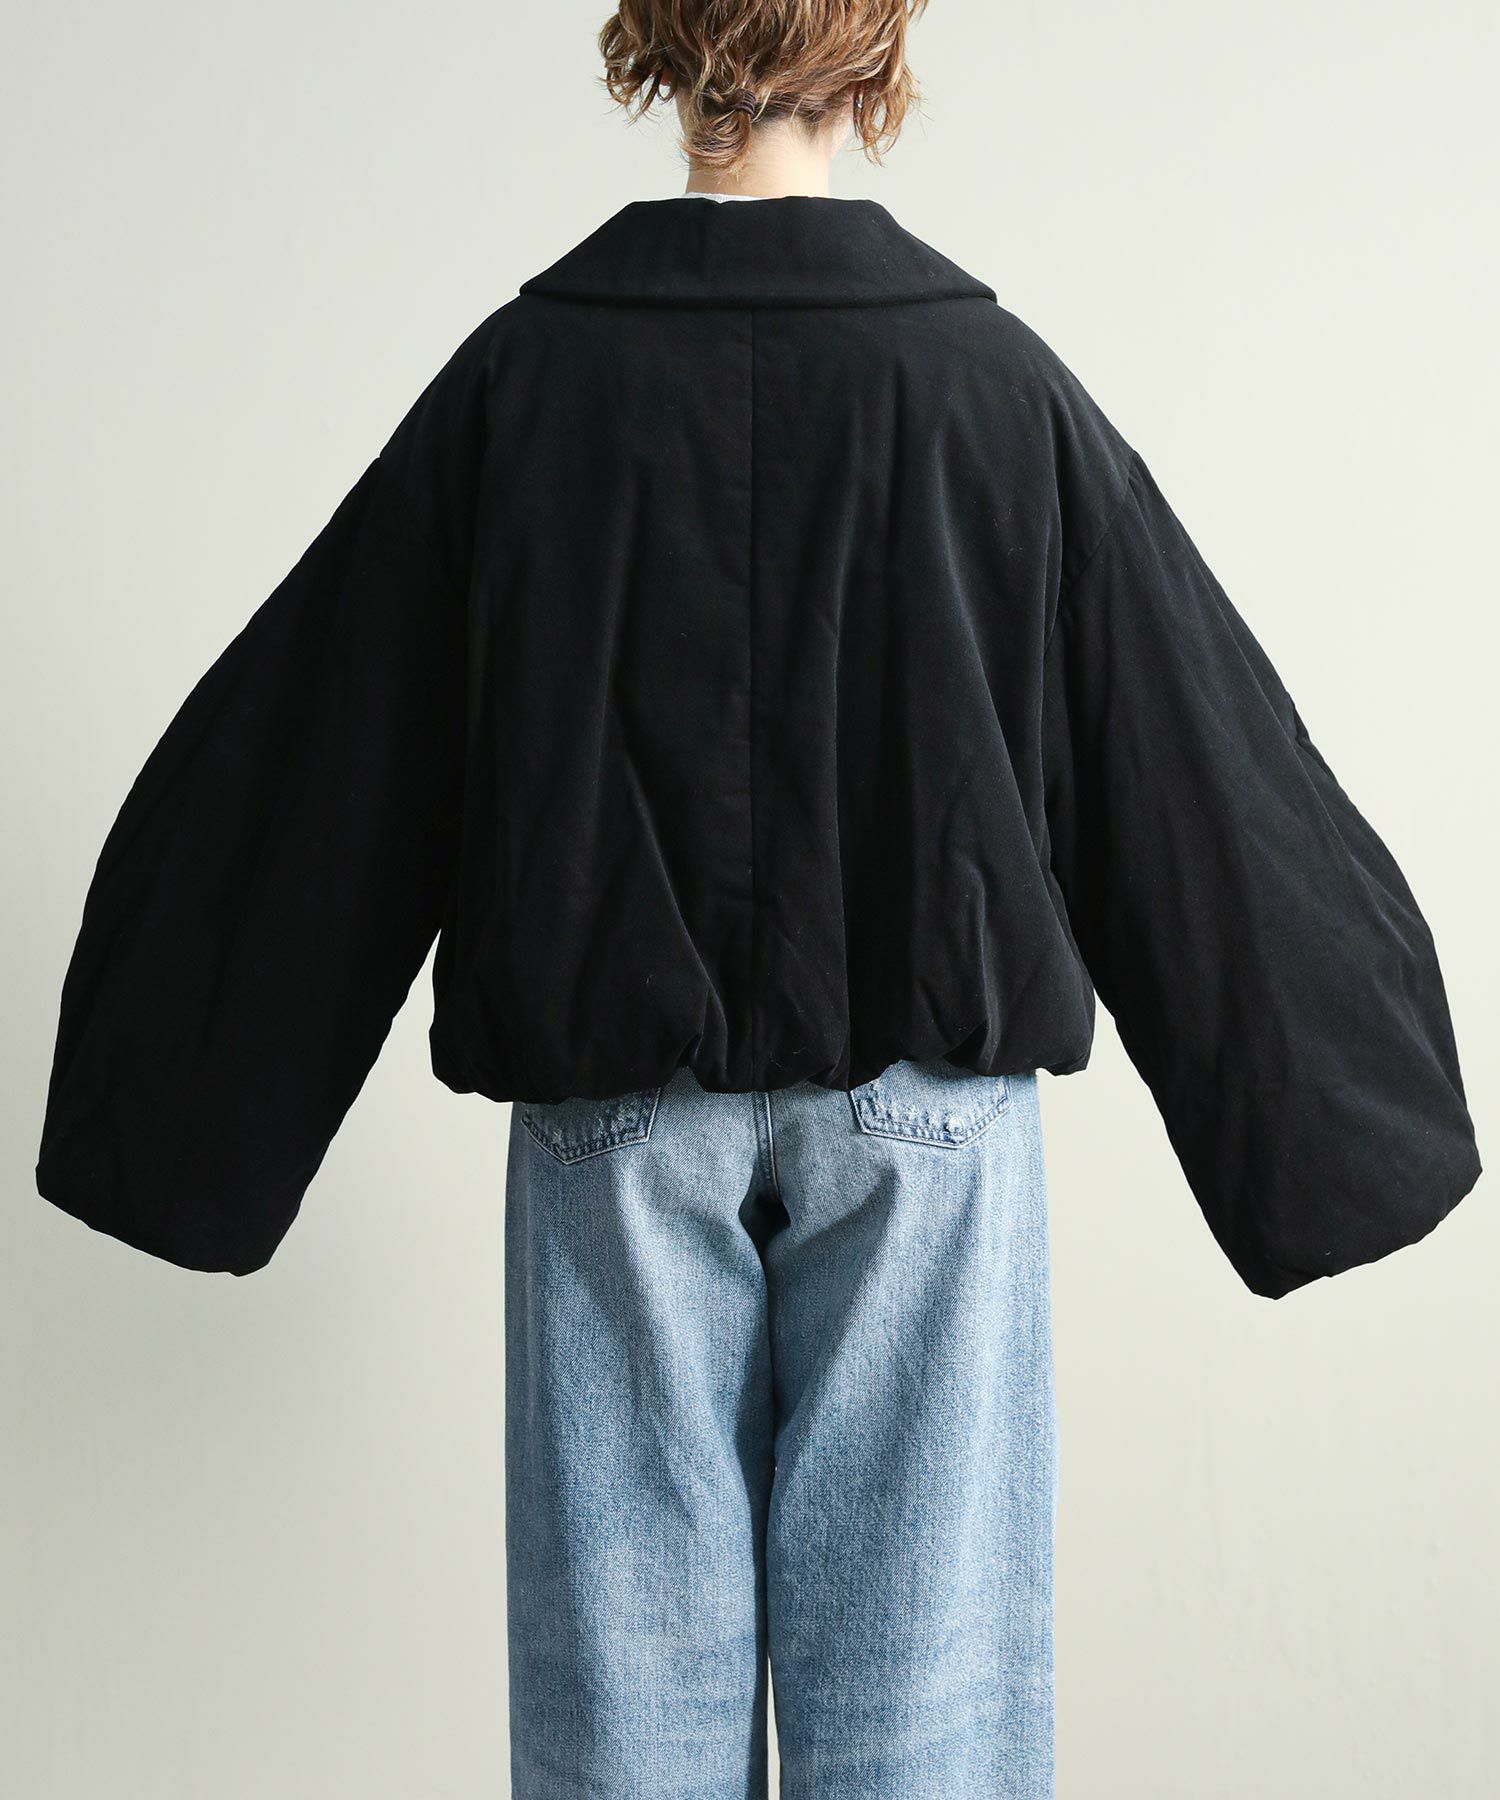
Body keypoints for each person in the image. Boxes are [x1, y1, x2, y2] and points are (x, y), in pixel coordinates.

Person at [34, 2, 1480, 1795]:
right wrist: (1353, 1113)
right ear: (875, 50)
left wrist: (167, 1117)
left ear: (652, 42)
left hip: (614, 1124)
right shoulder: (990, 387)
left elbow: (328, 740)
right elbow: (1185, 741)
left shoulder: (525, 383)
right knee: (931, 1739)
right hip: (927, 1129)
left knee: (621, 1745)